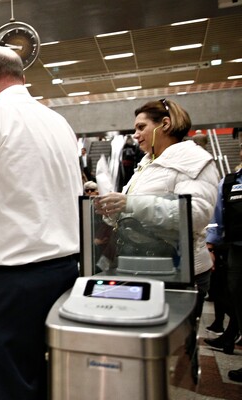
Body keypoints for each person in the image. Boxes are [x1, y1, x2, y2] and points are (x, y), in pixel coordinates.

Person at [0, 47, 81, 400]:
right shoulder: (58, 122)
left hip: (13, 284)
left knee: (8, 385)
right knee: (47, 380)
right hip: (66, 273)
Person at [95, 99, 219, 322]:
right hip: (145, 266)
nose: (136, 134)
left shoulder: (195, 161)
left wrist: (129, 203)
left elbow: (195, 215)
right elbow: (133, 208)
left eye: (141, 127)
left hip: (180, 272)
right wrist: (111, 208)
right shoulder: (147, 164)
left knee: (175, 350)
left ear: (165, 124)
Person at [204, 146, 242, 374]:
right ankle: (230, 332)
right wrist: (210, 245)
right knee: (234, 295)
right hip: (235, 249)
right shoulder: (230, 182)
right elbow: (216, 216)